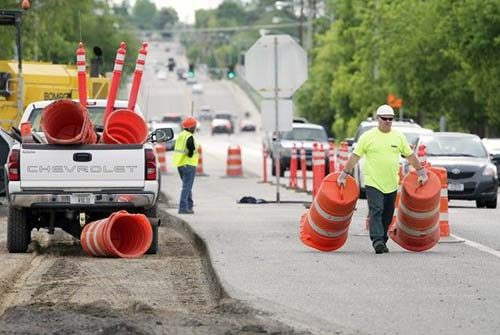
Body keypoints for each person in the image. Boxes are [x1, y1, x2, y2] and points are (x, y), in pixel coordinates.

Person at [337, 104, 428, 254]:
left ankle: (382, 239)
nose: (387, 121)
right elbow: (355, 156)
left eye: (390, 119)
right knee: (376, 209)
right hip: (373, 182)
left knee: (387, 213)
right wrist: (344, 174)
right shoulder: (367, 137)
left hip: (391, 183)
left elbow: (410, 155)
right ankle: (377, 240)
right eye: (384, 118)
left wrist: (421, 172)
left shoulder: (398, 137)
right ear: (378, 119)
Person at [173, 117, 199, 214]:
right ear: (191, 127)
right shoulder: (189, 137)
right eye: (194, 126)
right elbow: (191, 150)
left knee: (187, 186)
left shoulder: (181, 135)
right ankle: (183, 207)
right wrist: (191, 153)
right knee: (187, 187)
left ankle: (189, 206)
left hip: (180, 165)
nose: (195, 128)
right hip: (189, 164)